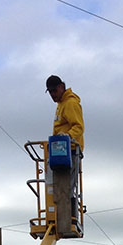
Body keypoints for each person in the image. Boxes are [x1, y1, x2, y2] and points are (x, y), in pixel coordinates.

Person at [45, 75, 84, 235]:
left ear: (62, 86)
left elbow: (78, 127)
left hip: (70, 151)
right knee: (56, 185)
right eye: (50, 92)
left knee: (67, 186)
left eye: (55, 90)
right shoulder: (61, 105)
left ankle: (67, 217)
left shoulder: (70, 103)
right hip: (60, 151)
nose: (53, 94)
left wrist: (67, 137)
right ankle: (57, 215)